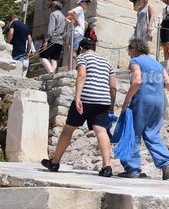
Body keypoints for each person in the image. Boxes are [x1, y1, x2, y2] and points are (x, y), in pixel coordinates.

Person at [42, 38, 115, 177]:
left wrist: (77, 97)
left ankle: (55, 162)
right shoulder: (106, 62)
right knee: (101, 131)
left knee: (69, 129)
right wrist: (110, 105)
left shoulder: (83, 57)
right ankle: (107, 167)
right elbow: (113, 86)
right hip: (103, 101)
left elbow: (81, 75)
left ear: (81, 48)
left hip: (86, 98)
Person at [118, 38, 169, 179]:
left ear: (133, 49)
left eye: (129, 51)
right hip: (158, 102)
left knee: (133, 134)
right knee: (152, 134)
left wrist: (126, 100)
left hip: (142, 101)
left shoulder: (135, 62)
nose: (129, 54)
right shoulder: (157, 64)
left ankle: (133, 169)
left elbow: (137, 80)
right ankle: (165, 163)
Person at [39, 0, 67, 74]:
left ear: (54, 6)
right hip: (60, 41)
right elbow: (65, 31)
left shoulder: (53, 14)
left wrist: (46, 40)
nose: (50, 8)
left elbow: (51, 29)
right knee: (54, 59)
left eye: (51, 6)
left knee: (42, 56)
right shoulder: (64, 17)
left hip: (52, 39)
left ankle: (51, 72)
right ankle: (53, 74)